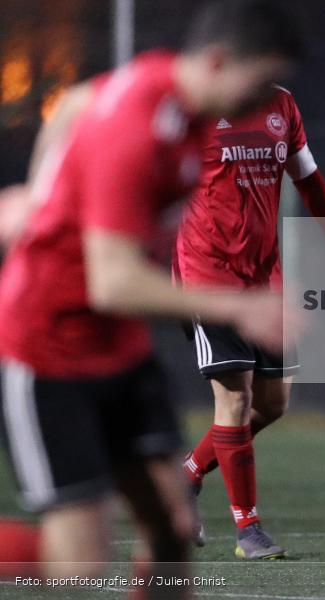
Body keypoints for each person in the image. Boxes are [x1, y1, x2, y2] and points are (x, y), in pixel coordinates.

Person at [0, 0, 304, 596]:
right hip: (50, 350)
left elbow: (80, 99)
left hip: (122, 350)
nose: (257, 102)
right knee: (79, 569)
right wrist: (239, 307)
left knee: (171, 532)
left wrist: (42, 192)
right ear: (218, 61)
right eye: (252, 84)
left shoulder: (172, 86)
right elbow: (111, 283)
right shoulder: (139, 129)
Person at [175, 81, 325, 559]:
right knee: (235, 398)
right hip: (207, 277)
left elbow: (309, 179)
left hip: (264, 280)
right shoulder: (196, 104)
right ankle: (248, 529)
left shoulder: (282, 103)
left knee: (272, 403)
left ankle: (187, 473)